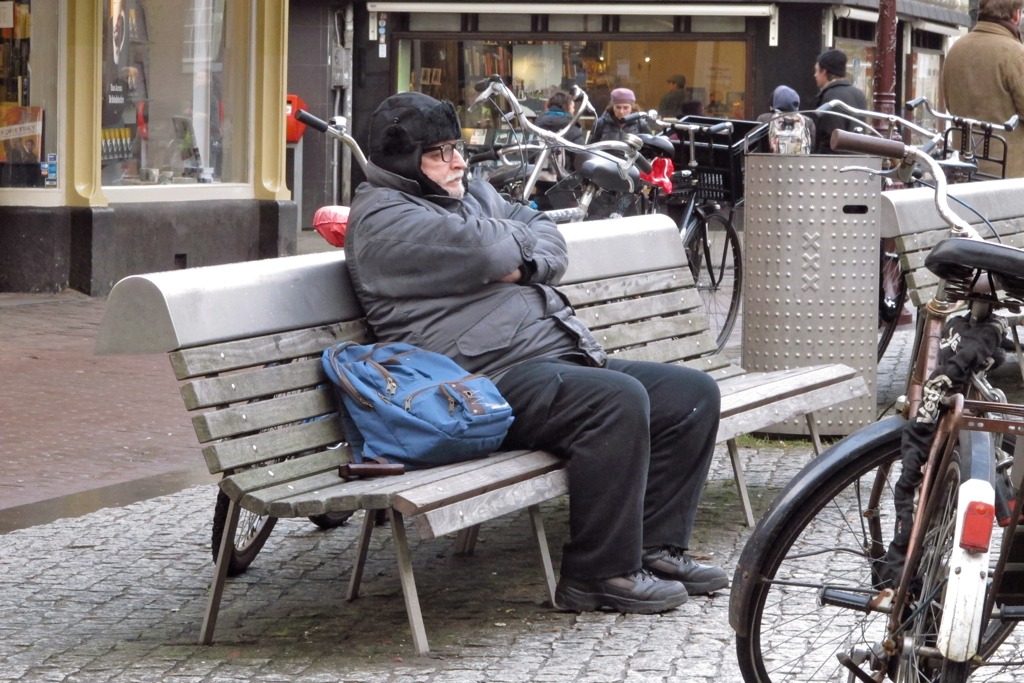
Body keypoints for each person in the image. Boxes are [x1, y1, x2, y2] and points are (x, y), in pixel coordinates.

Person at [345, 92, 727, 614]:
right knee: (614, 402)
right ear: (402, 160)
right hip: (476, 382)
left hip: (550, 357)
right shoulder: (384, 218)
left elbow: (546, 231)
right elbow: (488, 249)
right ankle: (599, 574)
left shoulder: (468, 196)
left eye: (457, 147)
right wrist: (508, 242)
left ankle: (654, 548)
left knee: (692, 395)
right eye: (439, 153)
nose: (458, 162)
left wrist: (517, 257)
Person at [941, 0, 1024, 178]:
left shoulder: (956, 49)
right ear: (1016, 15)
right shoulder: (1015, 53)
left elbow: (949, 104)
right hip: (1007, 175)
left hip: (962, 168)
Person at [812, 49, 867, 154]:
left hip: (836, 164)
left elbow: (829, 138)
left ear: (824, 71)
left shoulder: (831, 97)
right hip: (858, 160)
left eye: (817, 70)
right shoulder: (858, 94)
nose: (815, 75)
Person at [756, 85, 815, 155]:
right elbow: (812, 148)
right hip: (800, 164)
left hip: (771, 163)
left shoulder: (764, 119)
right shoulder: (807, 121)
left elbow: (758, 147)